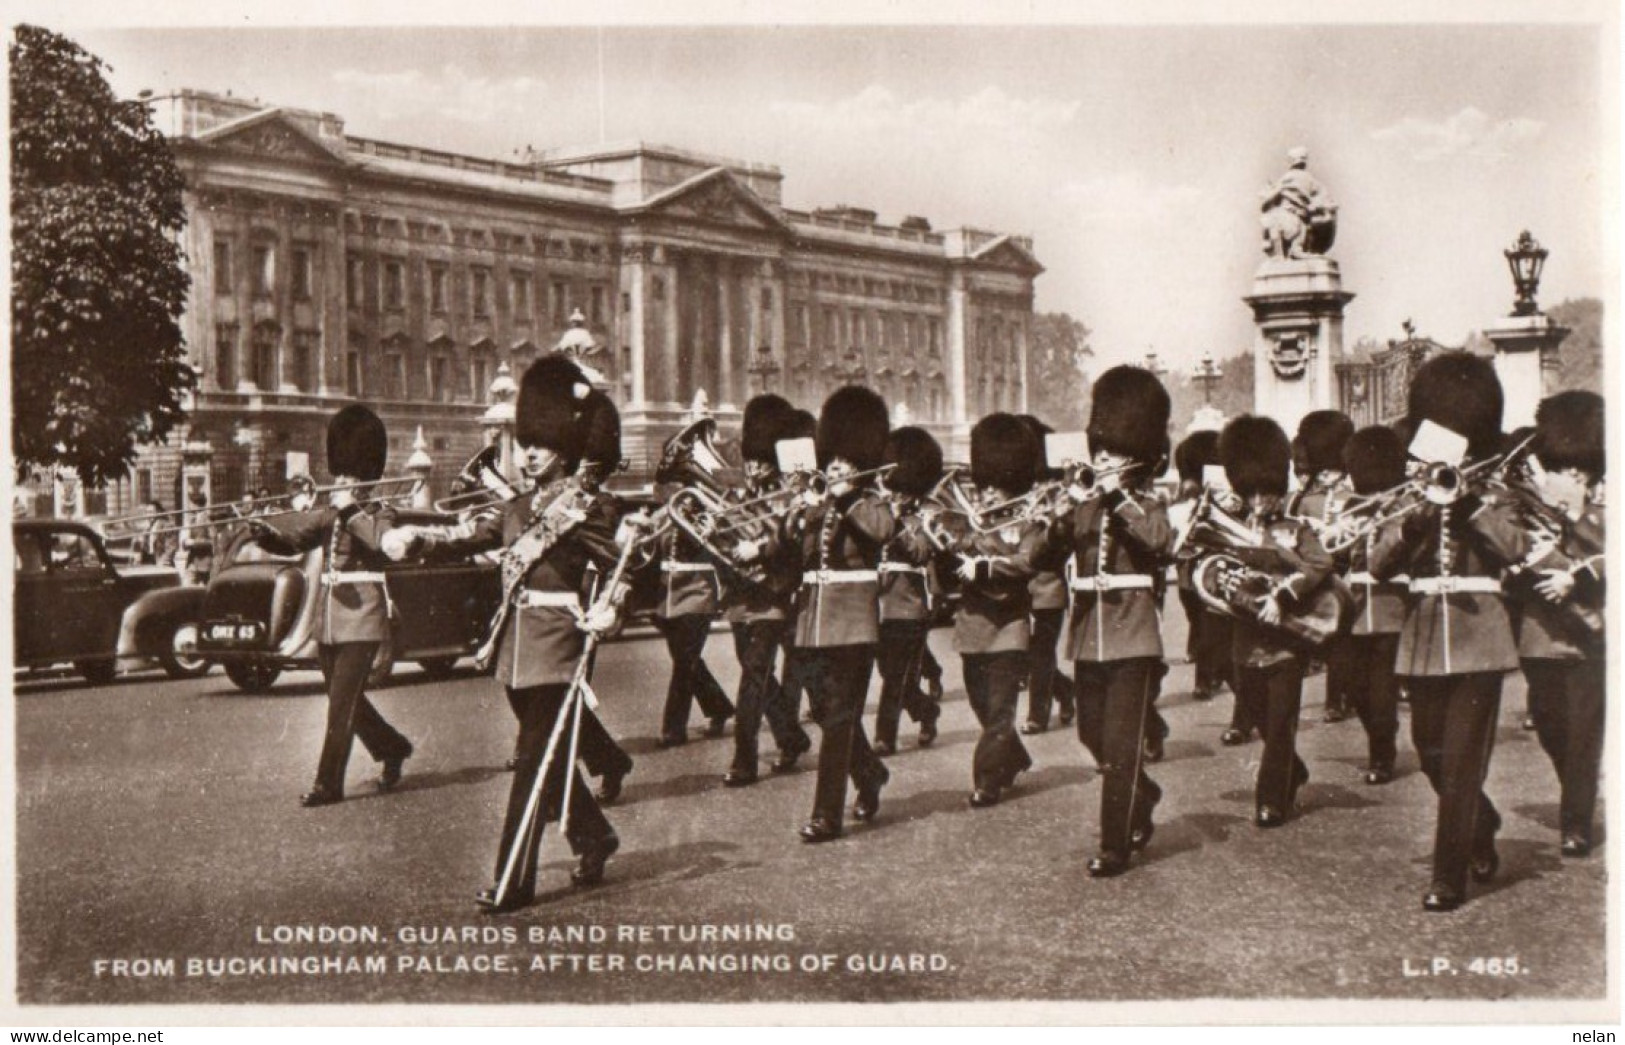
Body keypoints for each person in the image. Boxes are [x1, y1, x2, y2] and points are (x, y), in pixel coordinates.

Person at [387, 356, 627, 911]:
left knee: (530, 762)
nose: (529, 452)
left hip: (559, 644)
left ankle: (513, 881)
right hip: (516, 648)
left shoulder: (586, 509)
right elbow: (468, 533)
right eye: (525, 442)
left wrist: (612, 608)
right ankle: (596, 838)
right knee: (555, 755)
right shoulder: (518, 508)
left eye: (541, 443)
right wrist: (417, 540)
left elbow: (627, 565)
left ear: (563, 445)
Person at [1368, 353, 1529, 912]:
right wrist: (1415, 518)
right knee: (1431, 753)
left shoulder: (1497, 491)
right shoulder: (1410, 493)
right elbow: (1380, 562)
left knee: (1461, 761)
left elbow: (1517, 550)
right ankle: (1480, 823)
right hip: (1423, 638)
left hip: (1478, 636)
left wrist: (1471, 507)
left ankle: (1447, 875)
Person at [251, 404, 415, 808]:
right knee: (348, 702)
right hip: (329, 620)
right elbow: (297, 537)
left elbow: (379, 542)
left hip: (362, 618)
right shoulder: (332, 515)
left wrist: (348, 507)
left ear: (367, 479)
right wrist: (263, 532)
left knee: (342, 704)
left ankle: (328, 783)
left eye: (350, 476)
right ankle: (392, 747)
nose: (340, 482)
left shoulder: (379, 513)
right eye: (339, 475)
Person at [1048, 367, 1172, 875]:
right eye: (1097, 451)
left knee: (1121, 746)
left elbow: (1160, 542)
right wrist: (1056, 512)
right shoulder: (1083, 506)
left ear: (1133, 458)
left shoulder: (1145, 502)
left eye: (1110, 454)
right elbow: (1043, 554)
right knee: (1091, 734)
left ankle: (1114, 845)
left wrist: (1117, 497)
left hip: (1132, 633)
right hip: (1087, 634)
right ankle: (1143, 792)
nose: (1099, 460)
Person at [1217, 415, 1334, 829]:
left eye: (1267, 492)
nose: (1260, 501)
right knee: (1260, 716)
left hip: (1286, 641)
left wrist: (1285, 593)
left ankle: (1271, 801)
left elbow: (1321, 564)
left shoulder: (1295, 529)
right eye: (1252, 494)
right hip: (1245, 641)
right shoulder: (1227, 530)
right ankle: (1292, 770)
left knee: (1281, 723)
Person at [788, 386, 894, 843]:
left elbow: (883, 531)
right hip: (812, 620)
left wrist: (849, 498)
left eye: (843, 464)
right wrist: (793, 517)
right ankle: (868, 773)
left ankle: (826, 814)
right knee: (829, 711)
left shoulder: (869, 503)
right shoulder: (821, 504)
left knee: (836, 719)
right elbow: (792, 551)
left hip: (853, 622)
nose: (833, 469)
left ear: (860, 463)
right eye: (831, 462)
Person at [1515, 390, 1605, 858]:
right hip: (1540, 635)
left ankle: (1576, 821)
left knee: (1586, 731)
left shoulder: (1606, 511)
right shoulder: (1533, 507)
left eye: (1578, 470)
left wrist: (1574, 577)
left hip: (1592, 636)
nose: (1571, 476)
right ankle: (1576, 786)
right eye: (1563, 468)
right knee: (1551, 725)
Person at [721, 395, 812, 785]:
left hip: (773, 597)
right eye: (750, 459)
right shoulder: (740, 496)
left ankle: (745, 760)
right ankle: (791, 738)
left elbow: (786, 540)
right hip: (743, 598)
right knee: (756, 673)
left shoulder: (785, 497)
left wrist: (756, 548)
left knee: (753, 678)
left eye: (759, 460)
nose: (752, 467)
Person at [954, 413, 1043, 809]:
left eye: (996, 485)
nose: (987, 493)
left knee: (1000, 708)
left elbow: (1028, 562)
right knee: (982, 704)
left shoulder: (1026, 523)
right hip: (973, 624)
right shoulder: (970, 524)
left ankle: (986, 781)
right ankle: (1017, 756)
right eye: (984, 484)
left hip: (1010, 626)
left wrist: (986, 564)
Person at [1334, 426, 1410, 785]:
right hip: (1353, 609)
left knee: (1381, 693)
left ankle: (1382, 754)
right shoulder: (1352, 505)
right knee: (1355, 688)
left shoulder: (1404, 504)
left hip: (1390, 607)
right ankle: (1381, 737)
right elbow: (1339, 556)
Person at [872, 426, 945, 755]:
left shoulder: (926, 516)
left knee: (894, 678)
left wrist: (897, 524)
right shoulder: (879, 513)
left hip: (909, 605)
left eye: (900, 490)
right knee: (889, 673)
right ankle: (927, 711)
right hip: (877, 605)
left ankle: (884, 736)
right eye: (892, 489)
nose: (895, 495)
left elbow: (920, 552)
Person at [1288, 410, 1357, 723]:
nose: (1328, 476)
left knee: (1341, 639)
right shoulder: (1303, 500)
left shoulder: (1352, 496)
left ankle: (1337, 699)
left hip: (1345, 571)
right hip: (1314, 571)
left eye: (1333, 470)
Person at [1017, 414, 1077, 735]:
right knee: (1024, 654)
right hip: (1018, 586)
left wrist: (1050, 522)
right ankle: (1066, 691)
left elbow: (1064, 545)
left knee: (1041, 653)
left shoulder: (1058, 496)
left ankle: (1037, 716)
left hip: (1047, 587)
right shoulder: (1017, 496)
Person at [1171, 431, 1234, 706]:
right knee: (1199, 622)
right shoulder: (1185, 502)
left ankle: (1205, 679)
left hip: (1216, 566)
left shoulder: (1227, 499)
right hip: (1191, 568)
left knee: (1211, 626)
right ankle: (1211, 673)